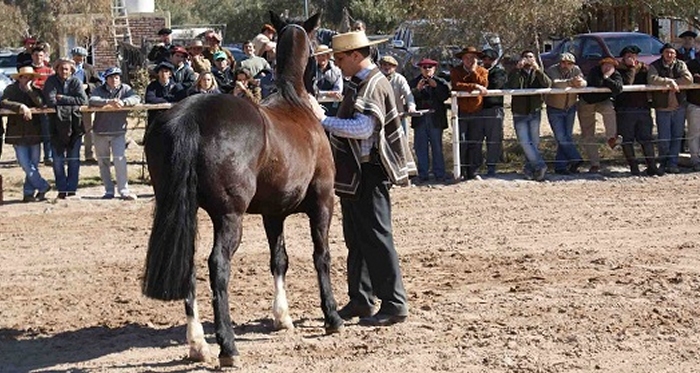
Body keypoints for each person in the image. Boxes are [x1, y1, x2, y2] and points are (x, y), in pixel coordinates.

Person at [309, 31, 414, 327]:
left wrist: (323, 120)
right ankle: (362, 298)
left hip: (370, 171)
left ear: (356, 55)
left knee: (378, 238)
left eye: (340, 58)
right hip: (357, 173)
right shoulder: (364, 82)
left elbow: (363, 128)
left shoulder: (372, 84)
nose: (337, 63)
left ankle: (394, 303)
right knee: (357, 238)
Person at [88, 67, 141, 200]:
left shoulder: (125, 89)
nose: (114, 80)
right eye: (111, 77)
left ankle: (124, 190)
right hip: (100, 131)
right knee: (103, 163)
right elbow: (92, 99)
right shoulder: (99, 89)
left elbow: (136, 97)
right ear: (106, 79)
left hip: (118, 131)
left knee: (120, 161)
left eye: (117, 77)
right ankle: (109, 191)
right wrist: (108, 102)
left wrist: (124, 102)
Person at [1, 66, 51, 202]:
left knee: (34, 164)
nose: (26, 79)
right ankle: (43, 185)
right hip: (17, 132)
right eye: (24, 77)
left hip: (34, 132)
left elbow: (41, 104)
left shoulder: (36, 91)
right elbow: (4, 102)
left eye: (29, 77)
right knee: (25, 164)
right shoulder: (10, 89)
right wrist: (21, 107)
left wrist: (30, 91)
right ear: (19, 78)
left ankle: (28, 193)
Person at [43, 58, 88, 199]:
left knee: (74, 159)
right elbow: (50, 100)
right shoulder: (51, 81)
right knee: (57, 160)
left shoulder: (75, 82)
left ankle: (72, 189)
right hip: (55, 126)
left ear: (71, 70)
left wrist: (62, 98)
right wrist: (70, 101)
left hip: (75, 125)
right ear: (57, 69)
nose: (64, 71)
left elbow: (82, 100)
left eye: (66, 69)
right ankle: (62, 189)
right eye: (61, 68)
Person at [615, 45, 661, 176]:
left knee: (646, 139)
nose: (631, 58)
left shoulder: (644, 68)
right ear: (623, 57)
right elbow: (627, 83)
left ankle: (652, 166)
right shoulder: (618, 69)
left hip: (643, 108)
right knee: (627, 140)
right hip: (625, 109)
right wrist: (631, 68)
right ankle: (634, 167)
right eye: (628, 55)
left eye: (634, 55)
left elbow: (653, 79)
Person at [506, 50, 552, 181]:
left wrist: (538, 70)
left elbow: (548, 84)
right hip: (519, 112)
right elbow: (511, 86)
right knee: (525, 142)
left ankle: (530, 170)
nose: (528, 59)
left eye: (531, 57)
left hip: (535, 111)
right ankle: (540, 165)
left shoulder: (538, 72)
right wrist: (516, 70)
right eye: (525, 57)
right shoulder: (516, 72)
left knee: (534, 143)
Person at [648, 43, 692, 174]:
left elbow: (688, 79)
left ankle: (673, 163)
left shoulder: (680, 64)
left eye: (672, 53)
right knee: (664, 138)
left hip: (679, 106)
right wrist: (669, 81)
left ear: (675, 54)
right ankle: (663, 162)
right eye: (667, 52)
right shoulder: (655, 65)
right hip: (663, 107)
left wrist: (673, 82)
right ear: (662, 53)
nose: (669, 55)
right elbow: (652, 79)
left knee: (677, 136)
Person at [578, 57, 623, 174]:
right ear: (601, 66)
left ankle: (611, 138)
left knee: (610, 110)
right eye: (605, 65)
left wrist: (607, 77)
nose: (607, 67)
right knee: (588, 134)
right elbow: (597, 84)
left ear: (614, 68)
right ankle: (594, 164)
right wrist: (607, 80)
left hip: (603, 101)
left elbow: (618, 88)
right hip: (587, 102)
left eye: (610, 66)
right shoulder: (594, 71)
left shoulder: (616, 74)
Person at [544, 52, 586, 175]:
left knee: (567, 137)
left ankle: (560, 167)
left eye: (569, 63)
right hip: (554, 108)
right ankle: (576, 159)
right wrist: (571, 82)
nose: (565, 65)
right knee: (561, 137)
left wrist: (580, 83)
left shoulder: (576, 70)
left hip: (570, 107)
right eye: (563, 62)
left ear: (573, 64)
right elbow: (555, 83)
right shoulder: (552, 70)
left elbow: (583, 82)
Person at [450, 46, 488, 180]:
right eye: (466, 58)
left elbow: (484, 83)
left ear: (477, 59)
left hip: (477, 111)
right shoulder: (456, 71)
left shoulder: (482, 71)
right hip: (461, 111)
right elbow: (456, 85)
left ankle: (473, 172)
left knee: (476, 142)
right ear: (462, 59)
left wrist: (473, 73)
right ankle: (460, 171)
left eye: (472, 58)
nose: (469, 60)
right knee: (461, 141)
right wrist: (475, 86)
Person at [409, 58, 449, 183]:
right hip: (420, 119)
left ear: (434, 69)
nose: (427, 70)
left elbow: (444, 96)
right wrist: (417, 90)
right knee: (420, 147)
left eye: (429, 67)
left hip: (435, 118)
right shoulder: (414, 82)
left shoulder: (441, 82)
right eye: (424, 67)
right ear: (420, 69)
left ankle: (439, 174)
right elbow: (409, 98)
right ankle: (423, 174)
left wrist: (436, 87)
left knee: (437, 147)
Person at [477, 48, 507, 176]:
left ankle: (491, 167)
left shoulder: (499, 72)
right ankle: (475, 166)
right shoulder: (477, 71)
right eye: (485, 59)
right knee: (476, 140)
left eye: (490, 59)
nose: (487, 61)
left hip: (494, 109)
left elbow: (496, 84)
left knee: (494, 140)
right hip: (477, 109)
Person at [71, 46, 102, 163]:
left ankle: (89, 154)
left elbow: (99, 83)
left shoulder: (89, 68)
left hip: (86, 102)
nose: (80, 59)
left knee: (88, 129)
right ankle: (72, 155)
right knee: (72, 129)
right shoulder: (67, 68)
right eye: (77, 57)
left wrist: (88, 86)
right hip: (70, 102)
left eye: (82, 57)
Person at [30, 45, 54, 166]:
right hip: (30, 106)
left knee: (47, 132)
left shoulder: (49, 71)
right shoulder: (28, 70)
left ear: (44, 56)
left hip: (45, 105)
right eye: (36, 55)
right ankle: (33, 157)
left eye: (40, 55)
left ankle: (48, 156)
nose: (38, 58)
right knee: (33, 132)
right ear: (32, 56)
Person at [379, 55, 415, 132]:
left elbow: (408, 94)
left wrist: (411, 106)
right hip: (381, 117)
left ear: (395, 67)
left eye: (390, 65)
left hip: (398, 116)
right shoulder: (377, 79)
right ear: (381, 66)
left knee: (401, 141)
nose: (387, 67)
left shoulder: (400, 79)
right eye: (384, 65)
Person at [145, 61, 186, 127]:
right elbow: (150, 99)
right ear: (158, 73)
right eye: (161, 71)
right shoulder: (152, 86)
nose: (163, 74)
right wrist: (168, 99)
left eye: (166, 71)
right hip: (155, 119)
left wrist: (161, 99)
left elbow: (181, 99)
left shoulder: (176, 86)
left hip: (172, 119)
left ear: (170, 74)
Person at [315, 44, 344, 115]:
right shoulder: (311, 70)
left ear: (328, 56)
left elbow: (338, 90)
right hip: (315, 103)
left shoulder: (337, 71)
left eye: (323, 56)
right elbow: (312, 90)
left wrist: (333, 94)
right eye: (319, 56)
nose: (321, 58)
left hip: (332, 105)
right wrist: (328, 93)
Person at [686, 48, 700, 171]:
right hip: (695, 103)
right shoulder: (692, 63)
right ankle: (695, 160)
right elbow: (690, 79)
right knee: (694, 134)